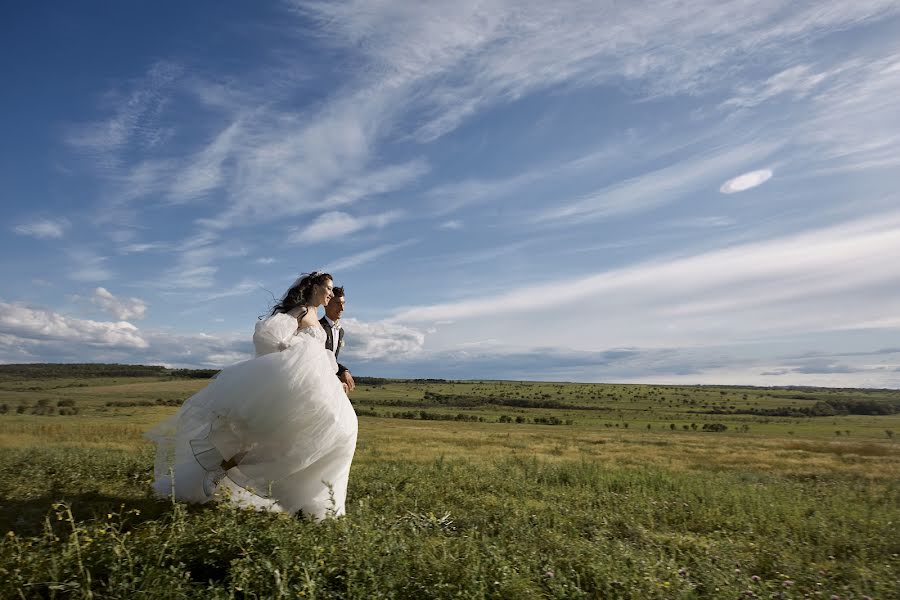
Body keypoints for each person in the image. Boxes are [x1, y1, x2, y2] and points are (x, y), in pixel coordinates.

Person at [146, 272, 358, 519]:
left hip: (319, 384)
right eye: (328, 289)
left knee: (338, 431)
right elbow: (268, 335)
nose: (332, 294)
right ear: (315, 287)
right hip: (297, 383)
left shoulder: (313, 315)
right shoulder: (301, 310)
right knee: (279, 438)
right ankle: (222, 470)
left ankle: (313, 503)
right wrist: (294, 355)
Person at [320, 286, 355, 393]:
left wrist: (344, 371)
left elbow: (332, 360)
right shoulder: (318, 327)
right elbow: (320, 360)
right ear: (326, 304)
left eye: (343, 303)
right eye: (337, 303)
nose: (342, 308)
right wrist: (336, 381)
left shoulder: (341, 331)